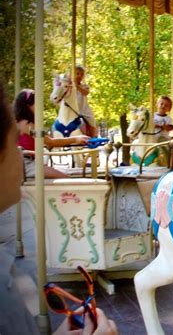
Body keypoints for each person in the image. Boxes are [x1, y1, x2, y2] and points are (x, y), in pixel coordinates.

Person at [0, 82, 117, 334]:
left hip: (35, 162)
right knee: (68, 176)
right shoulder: (26, 125)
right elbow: (48, 144)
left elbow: (50, 142)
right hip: (33, 165)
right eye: (12, 144)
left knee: (68, 174)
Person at [14, 89, 90, 179]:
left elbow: (46, 142)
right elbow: (50, 142)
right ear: (27, 106)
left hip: (27, 161)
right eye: (36, 103)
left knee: (62, 174)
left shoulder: (23, 122)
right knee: (65, 178)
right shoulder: (27, 124)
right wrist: (75, 139)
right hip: (25, 163)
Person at [75, 65, 98, 138]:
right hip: (73, 109)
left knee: (92, 120)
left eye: (81, 74)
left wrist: (77, 86)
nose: (79, 76)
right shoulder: (69, 86)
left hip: (83, 109)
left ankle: (93, 136)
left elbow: (85, 92)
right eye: (77, 73)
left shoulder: (84, 86)